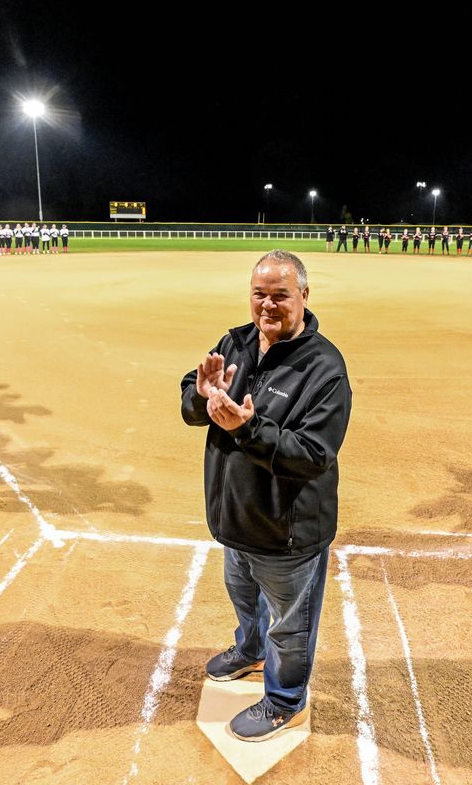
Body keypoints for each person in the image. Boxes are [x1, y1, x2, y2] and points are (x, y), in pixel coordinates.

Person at [180, 250, 352, 740]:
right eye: (260, 294)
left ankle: (284, 699)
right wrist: (200, 394)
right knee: (243, 596)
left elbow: (313, 454)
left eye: (280, 295)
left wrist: (249, 427)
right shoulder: (233, 342)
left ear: (303, 295)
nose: (268, 305)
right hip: (235, 517)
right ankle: (249, 650)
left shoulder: (324, 368)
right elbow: (193, 401)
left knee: (289, 625)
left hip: (286, 532)